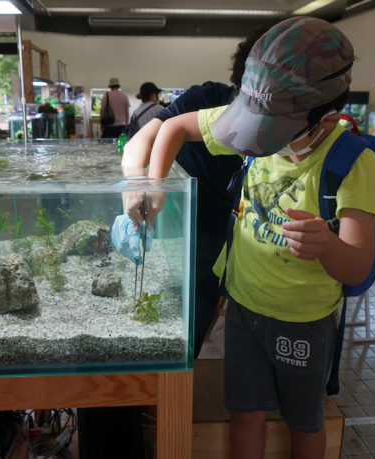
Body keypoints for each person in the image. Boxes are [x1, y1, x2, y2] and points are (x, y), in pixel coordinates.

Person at [126, 17, 375, 458]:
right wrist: (154, 184)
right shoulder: (255, 125)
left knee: (306, 420)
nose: (256, 142)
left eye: (271, 131)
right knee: (244, 412)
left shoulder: (353, 162)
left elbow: (358, 266)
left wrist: (327, 246)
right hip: (243, 309)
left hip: (304, 320)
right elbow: (172, 128)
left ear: (323, 115)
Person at [120, 26, 267, 358]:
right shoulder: (207, 99)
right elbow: (140, 143)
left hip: (233, 234)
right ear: (237, 87)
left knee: (200, 317)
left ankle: (185, 376)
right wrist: (139, 182)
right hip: (180, 225)